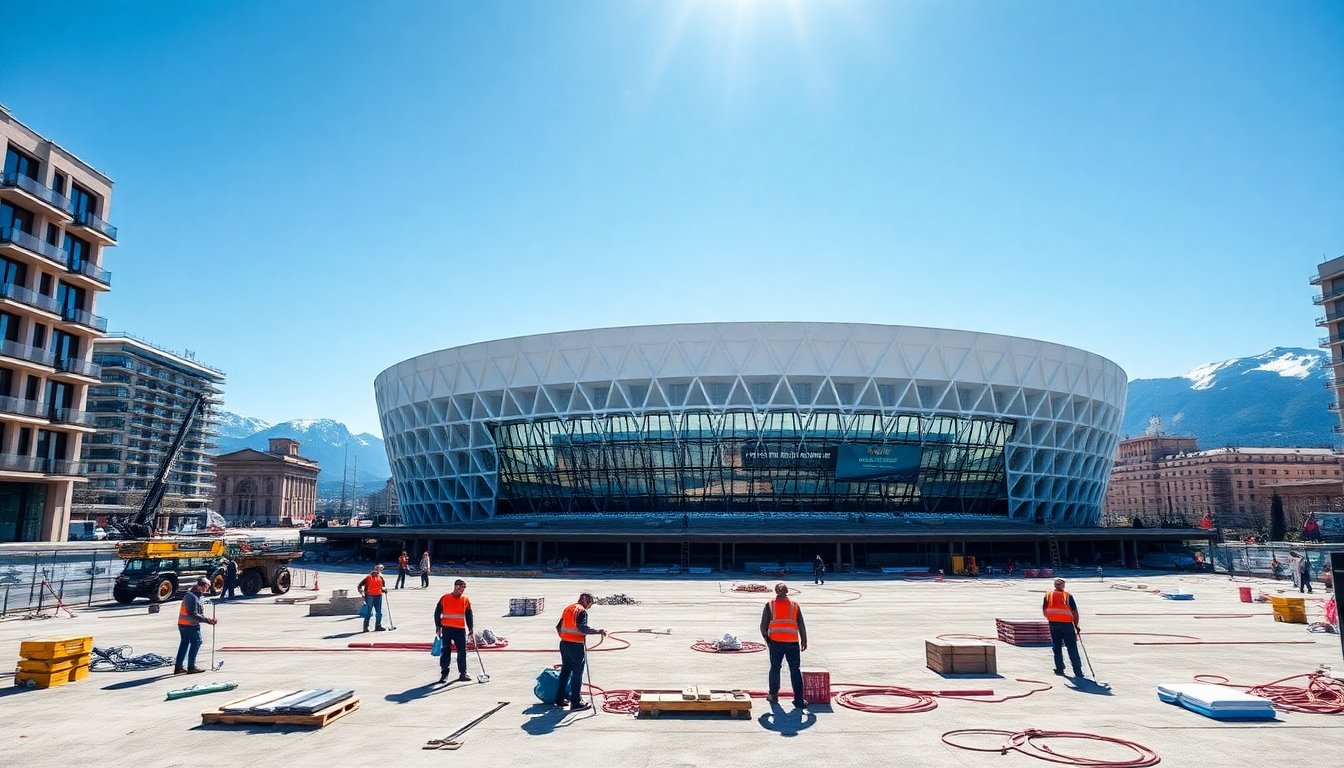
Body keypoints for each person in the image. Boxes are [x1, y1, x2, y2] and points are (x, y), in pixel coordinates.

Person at [555, 592, 607, 711]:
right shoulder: (582, 611)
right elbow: (582, 628)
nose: (589, 607)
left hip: (564, 644)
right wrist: (599, 631)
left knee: (565, 671)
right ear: (586, 601)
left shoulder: (569, 608)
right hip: (575, 646)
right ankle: (576, 702)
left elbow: (558, 627)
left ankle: (559, 699)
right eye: (590, 604)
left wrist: (565, 637)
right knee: (577, 674)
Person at [760, 582, 808, 709]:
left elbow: (763, 626)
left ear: (776, 591)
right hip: (792, 642)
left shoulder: (770, 605)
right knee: (795, 670)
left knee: (775, 668)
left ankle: (773, 695)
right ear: (787, 592)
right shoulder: (794, 605)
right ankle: (798, 700)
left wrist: (767, 639)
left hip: (775, 642)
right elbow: (801, 624)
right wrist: (804, 640)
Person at [434, 579, 474, 684]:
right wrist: (438, 626)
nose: (462, 590)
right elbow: (437, 612)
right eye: (461, 587)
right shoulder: (445, 598)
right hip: (447, 628)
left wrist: (471, 629)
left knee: (462, 651)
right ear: (456, 586)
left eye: (464, 588)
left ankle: (463, 673)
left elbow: (469, 615)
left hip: (460, 630)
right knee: (446, 651)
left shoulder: (465, 600)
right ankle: (444, 674)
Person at [175, 577, 218, 675]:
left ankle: (179, 667)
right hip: (190, 625)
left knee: (184, 644)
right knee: (196, 643)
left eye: (206, 587)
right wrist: (208, 620)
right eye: (204, 587)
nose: (205, 589)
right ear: (198, 586)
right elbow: (193, 613)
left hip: (183, 624)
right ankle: (191, 667)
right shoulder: (192, 597)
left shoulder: (193, 596)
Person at [1043, 578, 1084, 678]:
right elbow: (1074, 612)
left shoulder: (1048, 595)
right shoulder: (1067, 596)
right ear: (1062, 586)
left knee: (1057, 647)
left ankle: (1060, 669)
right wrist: (1076, 625)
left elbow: (1044, 609)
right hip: (1066, 625)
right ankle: (1077, 671)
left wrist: (1051, 617)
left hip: (1053, 624)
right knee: (1072, 648)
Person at [358, 564, 386, 632]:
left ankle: (376, 626)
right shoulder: (368, 578)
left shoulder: (380, 577)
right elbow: (360, 585)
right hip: (371, 596)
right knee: (372, 612)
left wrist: (384, 590)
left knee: (377, 612)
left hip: (377, 595)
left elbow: (382, 586)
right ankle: (370, 626)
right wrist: (361, 591)